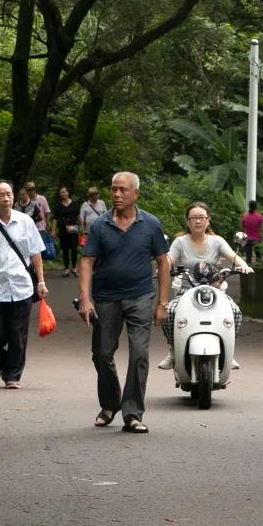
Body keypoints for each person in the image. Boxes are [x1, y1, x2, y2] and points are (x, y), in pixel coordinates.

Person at [77, 172, 170, 433]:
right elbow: (87, 261)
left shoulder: (150, 224)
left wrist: (162, 302)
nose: (117, 194)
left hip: (140, 296)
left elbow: (163, 261)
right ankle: (109, 404)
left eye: (123, 190)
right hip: (106, 298)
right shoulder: (99, 225)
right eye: (114, 189)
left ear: (136, 194)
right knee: (102, 354)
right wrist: (86, 299)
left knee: (139, 354)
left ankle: (132, 413)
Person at [158, 201, 252, 372]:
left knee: (234, 312)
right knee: (170, 311)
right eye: (193, 218)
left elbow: (233, 256)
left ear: (208, 220)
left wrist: (243, 265)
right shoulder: (180, 242)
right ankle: (172, 351)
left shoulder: (217, 241)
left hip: (214, 290)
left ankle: (228, 352)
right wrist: (164, 266)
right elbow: (169, 260)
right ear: (188, 222)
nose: (198, 221)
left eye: (201, 217)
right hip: (186, 290)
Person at [0, 180, 47, 389]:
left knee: (18, 333)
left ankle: (13, 375)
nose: (6, 198)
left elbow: (35, 253)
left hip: (21, 286)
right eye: (1, 195)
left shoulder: (25, 221)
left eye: (9, 194)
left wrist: (41, 281)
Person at [51, 186, 81, 277]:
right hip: (63, 229)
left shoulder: (75, 204)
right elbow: (55, 219)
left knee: (74, 249)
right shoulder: (59, 205)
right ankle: (67, 269)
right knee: (65, 249)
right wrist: (53, 230)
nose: (62, 194)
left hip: (73, 228)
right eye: (61, 193)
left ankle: (74, 268)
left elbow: (79, 216)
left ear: (68, 192)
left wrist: (82, 227)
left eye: (64, 192)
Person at [240, 200, 263, 265]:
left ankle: (248, 271)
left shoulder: (245, 217)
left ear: (249, 207)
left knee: (248, 256)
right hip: (257, 239)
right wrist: (262, 237)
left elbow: (242, 230)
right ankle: (259, 269)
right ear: (256, 207)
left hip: (248, 239)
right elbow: (261, 229)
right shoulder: (260, 217)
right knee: (258, 256)